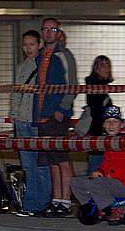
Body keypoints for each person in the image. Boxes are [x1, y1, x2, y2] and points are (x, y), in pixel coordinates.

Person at [71, 105, 125, 225]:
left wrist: (111, 174)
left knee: (95, 182)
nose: (111, 125)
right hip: (108, 182)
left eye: (115, 122)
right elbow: (106, 164)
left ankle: (109, 208)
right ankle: (93, 207)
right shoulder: (108, 142)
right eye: (108, 122)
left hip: (124, 185)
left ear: (122, 125)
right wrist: (100, 171)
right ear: (103, 125)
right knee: (76, 182)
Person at [33, 18, 77, 217]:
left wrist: (63, 109)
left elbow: (72, 84)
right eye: (46, 29)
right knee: (51, 160)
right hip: (41, 116)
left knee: (62, 159)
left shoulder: (64, 56)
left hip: (57, 115)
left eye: (53, 29)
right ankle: (56, 200)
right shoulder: (40, 56)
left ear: (59, 32)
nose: (49, 33)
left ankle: (66, 201)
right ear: (42, 32)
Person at [10, 29, 51, 215]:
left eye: (32, 44)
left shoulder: (44, 66)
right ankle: (31, 204)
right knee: (28, 166)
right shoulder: (21, 67)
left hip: (35, 121)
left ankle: (42, 203)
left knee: (41, 165)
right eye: (25, 45)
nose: (28, 48)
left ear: (39, 44)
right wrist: (14, 115)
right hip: (21, 121)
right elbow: (16, 92)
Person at [84, 55, 113, 174]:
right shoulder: (95, 86)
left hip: (101, 133)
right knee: (95, 169)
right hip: (97, 133)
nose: (106, 68)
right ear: (96, 68)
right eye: (102, 65)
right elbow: (97, 111)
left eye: (108, 65)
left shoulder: (103, 87)